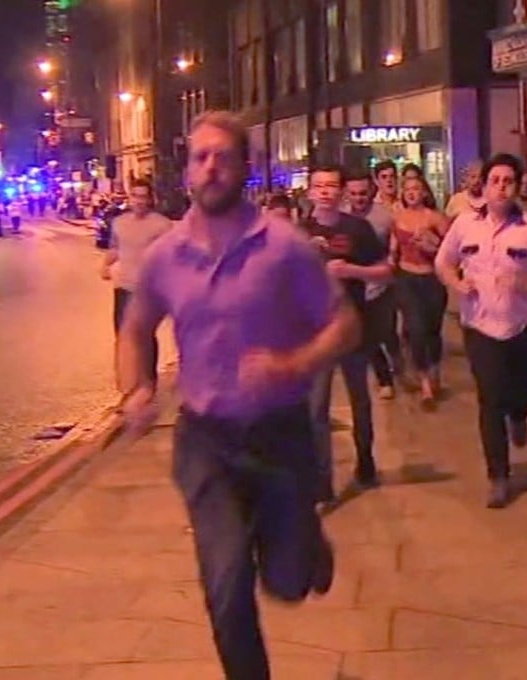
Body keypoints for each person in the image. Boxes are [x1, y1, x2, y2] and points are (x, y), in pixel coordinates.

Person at [117, 110, 358, 680]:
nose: (211, 167)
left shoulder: (284, 247)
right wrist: (137, 388)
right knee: (225, 588)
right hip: (206, 444)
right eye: (200, 157)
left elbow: (345, 324)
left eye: (223, 157)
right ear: (187, 170)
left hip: (279, 436)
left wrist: (293, 363)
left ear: (245, 167)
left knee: (288, 582)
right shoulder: (166, 255)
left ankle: (307, 545)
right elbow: (135, 329)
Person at [435, 153, 527, 508]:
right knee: (490, 399)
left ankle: (520, 415)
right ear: (484, 185)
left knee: (522, 394)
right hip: (480, 326)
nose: (501, 187)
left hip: (523, 327)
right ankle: (498, 476)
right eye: (494, 180)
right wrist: (456, 283)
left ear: (517, 186)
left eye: (508, 181)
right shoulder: (465, 225)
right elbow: (443, 262)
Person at [304, 164, 392, 500]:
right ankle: (321, 480)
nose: (325, 192)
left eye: (331, 186)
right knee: (316, 407)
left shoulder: (358, 228)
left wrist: (352, 270)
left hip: (353, 326)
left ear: (341, 191)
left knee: (359, 399)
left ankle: (365, 460)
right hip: (315, 333)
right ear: (310, 191)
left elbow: (385, 271)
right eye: (319, 186)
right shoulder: (298, 232)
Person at [100, 178, 173, 393]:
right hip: (124, 287)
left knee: (144, 336)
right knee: (123, 336)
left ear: (150, 199)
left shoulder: (162, 225)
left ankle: (148, 383)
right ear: (129, 198)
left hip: (148, 289)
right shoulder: (120, 223)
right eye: (135, 196)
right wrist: (105, 265)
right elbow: (115, 248)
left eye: (143, 197)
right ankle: (128, 387)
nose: (139, 201)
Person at [391, 175, 450, 408]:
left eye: (416, 189)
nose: (411, 193)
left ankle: (434, 370)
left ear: (425, 192)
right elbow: (394, 247)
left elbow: (449, 250)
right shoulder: (398, 217)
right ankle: (424, 383)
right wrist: (389, 262)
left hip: (431, 279)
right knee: (415, 329)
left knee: (432, 331)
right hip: (406, 278)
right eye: (407, 189)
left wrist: (430, 244)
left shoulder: (435, 217)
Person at [344, 169, 400, 400]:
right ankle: (383, 378)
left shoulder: (384, 216)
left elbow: (394, 247)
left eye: (363, 193)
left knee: (382, 332)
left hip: (379, 285)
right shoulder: (340, 216)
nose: (359, 198)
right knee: (364, 335)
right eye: (354, 193)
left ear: (371, 191)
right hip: (351, 286)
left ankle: (394, 362)